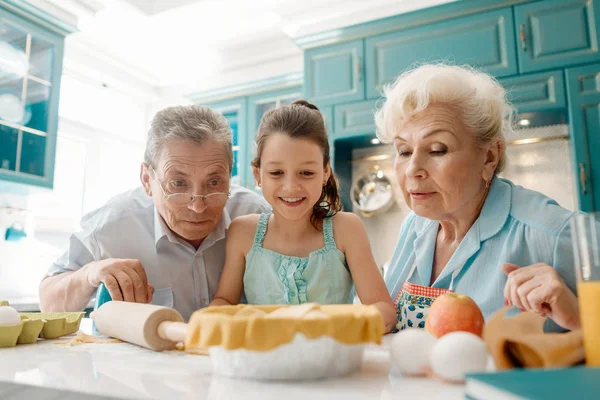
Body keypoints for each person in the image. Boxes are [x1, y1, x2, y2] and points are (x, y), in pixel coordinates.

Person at [375, 63, 580, 332]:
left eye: (437, 150)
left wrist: (581, 320)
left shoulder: (557, 233)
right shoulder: (414, 226)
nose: (413, 169)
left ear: (489, 156)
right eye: (403, 151)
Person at [39, 105, 270, 321]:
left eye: (214, 182)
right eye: (178, 183)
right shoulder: (111, 227)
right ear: (147, 180)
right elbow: (48, 304)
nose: (198, 206)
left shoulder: (258, 217)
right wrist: (89, 272)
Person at [210, 100, 396, 333]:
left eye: (306, 173)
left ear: (325, 172)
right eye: (276, 173)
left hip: (333, 362)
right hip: (265, 364)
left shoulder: (346, 229)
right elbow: (224, 301)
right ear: (257, 174)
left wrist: (336, 326)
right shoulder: (243, 232)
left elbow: (384, 309)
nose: (291, 187)